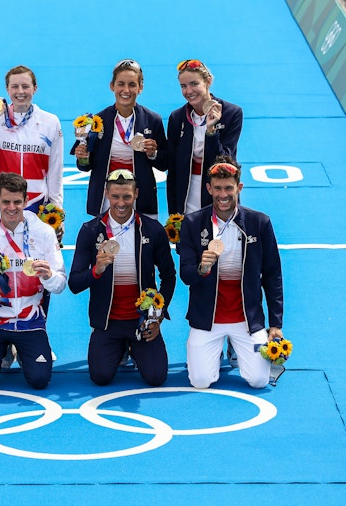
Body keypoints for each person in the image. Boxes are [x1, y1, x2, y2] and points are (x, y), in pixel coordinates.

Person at [178, 161, 284, 389]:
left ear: (239, 188)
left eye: (228, 188)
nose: (223, 195)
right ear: (208, 189)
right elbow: (185, 275)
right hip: (207, 318)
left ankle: (237, 346)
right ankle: (212, 352)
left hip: (247, 320)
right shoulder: (192, 223)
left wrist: (275, 324)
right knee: (200, 381)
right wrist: (201, 269)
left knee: (258, 381)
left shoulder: (260, 223)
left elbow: (272, 275)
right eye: (217, 188)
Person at [68, 169, 176, 386]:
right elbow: (74, 283)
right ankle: (122, 348)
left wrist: (157, 316)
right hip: (108, 324)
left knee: (156, 377)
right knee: (100, 377)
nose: (121, 203)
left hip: (141, 321)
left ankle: (134, 348)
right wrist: (95, 271)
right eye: (115, 196)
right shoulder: (90, 231)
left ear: (136, 194)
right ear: (107, 194)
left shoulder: (152, 230)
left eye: (127, 196)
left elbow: (169, 276)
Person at [0, 173, 67, 390]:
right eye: (5, 202)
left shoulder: (44, 233)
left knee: (40, 380)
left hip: (30, 322)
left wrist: (48, 276)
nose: (11, 207)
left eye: (17, 202)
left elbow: (60, 283)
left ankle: (22, 351)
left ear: (26, 201)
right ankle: (4, 349)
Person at [72, 58, 167, 221]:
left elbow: (164, 163)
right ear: (112, 86)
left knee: (142, 246)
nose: (126, 90)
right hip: (106, 200)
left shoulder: (152, 120)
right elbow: (84, 167)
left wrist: (153, 154)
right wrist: (83, 158)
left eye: (132, 85)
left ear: (140, 88)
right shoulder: (97, 121)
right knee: (105, 246)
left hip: (142, 199)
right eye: (121, 84)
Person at [0, 65, 64, 220]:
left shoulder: (50, 122)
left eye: (25, 86)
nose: (20, 92)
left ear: (35, 88)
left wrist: (56, 208)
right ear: (7, 89)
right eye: (14, 86)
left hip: (38, 205)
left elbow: (55, 169)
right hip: (3, 205)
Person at [166, 59, 243, 216]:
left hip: (218, 192)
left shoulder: (231, 113)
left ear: (208, 82)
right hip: (186, 195)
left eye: (194, 84)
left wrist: (211, 130)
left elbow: (222, 162)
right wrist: (174, 211)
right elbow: (172, 169)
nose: (188, 91)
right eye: (183, 86)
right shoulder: (177, 118)